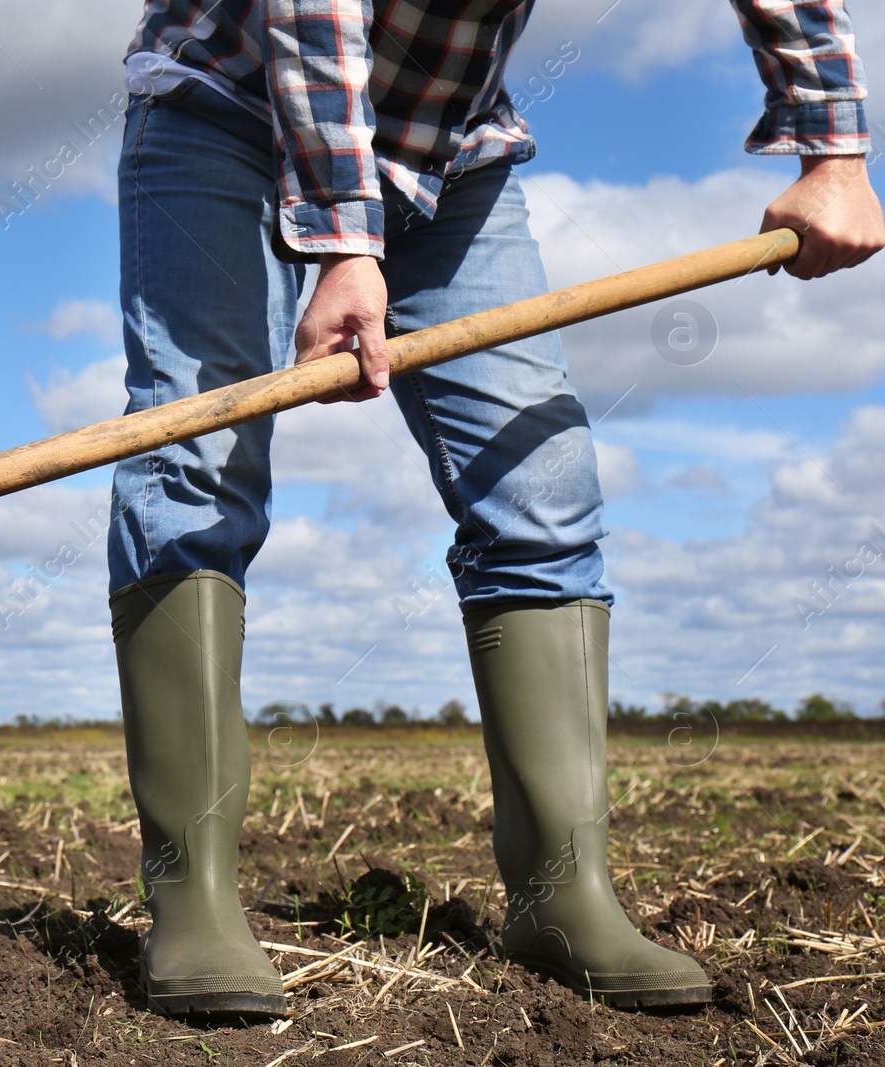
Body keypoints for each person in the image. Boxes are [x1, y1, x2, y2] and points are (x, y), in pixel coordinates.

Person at [106, 0, 883, 1020]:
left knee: (541, 488)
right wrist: (347, 245)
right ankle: (193, 896)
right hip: (230, 108)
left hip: (445, 154)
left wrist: (831, 143)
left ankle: (562, 896)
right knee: (193, 470)